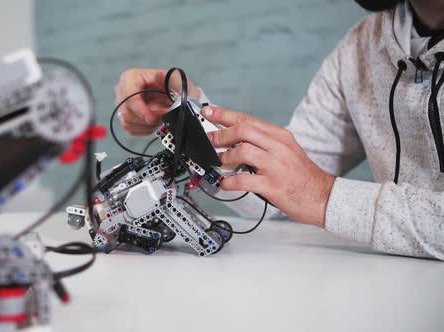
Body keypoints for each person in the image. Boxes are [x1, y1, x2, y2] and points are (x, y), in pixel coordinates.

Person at [113, 0, 444, 260]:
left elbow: (310, 194)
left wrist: (325, 196)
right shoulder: (362, 48)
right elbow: (275, 195)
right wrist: (191, 118)